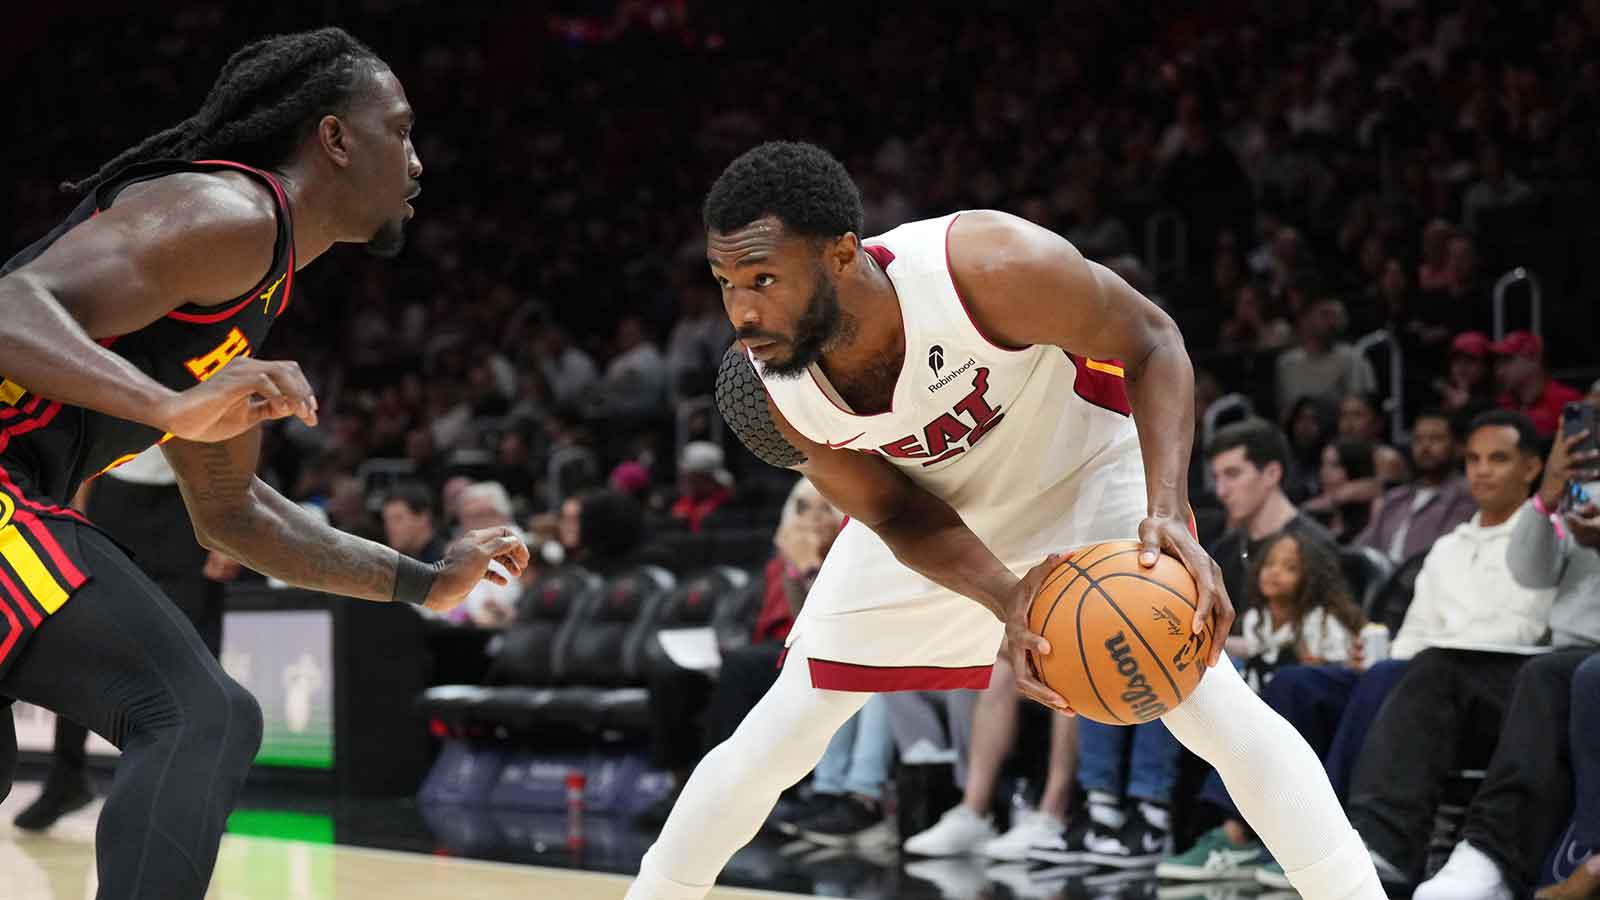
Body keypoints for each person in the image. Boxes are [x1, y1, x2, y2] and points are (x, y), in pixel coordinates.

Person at [625, 141, 1382, 900]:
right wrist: (1006, 595)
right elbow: (894, 510)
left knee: (1203, 698)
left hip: (1080, 468)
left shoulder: (986, 266)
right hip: (938, 510)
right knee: (787, 723)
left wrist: (1167, 511)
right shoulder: (769, 393)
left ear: (842, 255)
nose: (743, 311)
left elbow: (1153, 341)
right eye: (725, 283)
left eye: (763, 279)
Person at [0, 29, 528, 900]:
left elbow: (231, 513)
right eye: (400, 130)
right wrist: (166, 405)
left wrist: (427, 583)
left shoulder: (258, 284)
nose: (418, 162)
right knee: (195, 714)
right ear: (335, 138)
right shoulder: (229, 214)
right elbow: (12, 305)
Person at [1345, 411, 1556, 890]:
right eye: (1474, 460)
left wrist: (1438, 651)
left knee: (1430, 668)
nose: (1482, 471)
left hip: (1514, 684)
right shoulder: (1446, 548)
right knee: (1366, 676)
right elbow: (1414, 634)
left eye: (1498, 459)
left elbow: (1528, 629)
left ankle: (1382, 844)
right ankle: (1338, 839)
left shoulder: (1547, 538)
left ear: (1531, 467)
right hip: (1438, 679)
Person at [1413, 428, 1600, 900]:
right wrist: (1545, 501)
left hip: (1572, 658)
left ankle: (1529, 856)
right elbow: (1531, 574)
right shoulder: (1582, 490)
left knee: (1564, 677)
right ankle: (1389, 851)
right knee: (1416, 671)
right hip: (1566, 648)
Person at [12, 447, 223, 831]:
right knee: (81, 638)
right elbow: (90, 428)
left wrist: (229, 524)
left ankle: (197, 797)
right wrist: (76, 506)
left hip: (191, 494)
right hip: (114, 486)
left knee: (195, 651)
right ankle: (66, 778)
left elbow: (240, 433)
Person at [1160, 531, 1363, 880]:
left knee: (1281, 694)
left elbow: (1345, 669)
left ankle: (1237, 839)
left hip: (1311, 713)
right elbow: (1248, 648)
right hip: (1267, 704)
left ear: (1311, 578)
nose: (1274, 572)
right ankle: (1213, 835)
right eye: (1269, 564)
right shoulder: (1257, 618)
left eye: (1289, 567)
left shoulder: (1322, 621)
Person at [1205, 418, 1336, 625]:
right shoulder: (1224, 550)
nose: (1221, 491)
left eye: (1233, 474)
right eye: (1216, 478)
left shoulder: (1316, 547)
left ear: (1272, 474)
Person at [1355, 411, 1475, 564]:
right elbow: (1360, 549)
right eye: (1418, 440)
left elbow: (1445, 555)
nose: (1425, 447)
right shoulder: (1396, 497)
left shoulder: (1466, 495)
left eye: (1436, 439)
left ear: (1458, 447)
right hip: (1381, 575)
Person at [1493, 330, 1582, 438]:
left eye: (1508, 360)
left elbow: (1583, 446)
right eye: (1499, 362)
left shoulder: (1570, 399)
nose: (1500, 370)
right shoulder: (1503, 403)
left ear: (1534, 359)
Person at [1305, 437, 1378, 544]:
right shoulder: (1315, 511)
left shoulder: (1375, 509)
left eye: (1335, 466)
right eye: (1323, 464)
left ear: (1355, 469)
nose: (1325, 473)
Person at [381, 481, 446, 564]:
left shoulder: (447, 562)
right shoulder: (394, 563)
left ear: (423, 518)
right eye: (386, 520)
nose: (389, 527)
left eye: (398, 519)